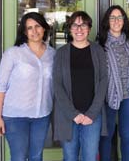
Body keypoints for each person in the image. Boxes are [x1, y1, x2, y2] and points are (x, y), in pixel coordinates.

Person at [0, 12, 55, 161]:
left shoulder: (53, 54)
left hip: (42, 115)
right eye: (29, 28)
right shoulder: (13, 54)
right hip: (15, 116)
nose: (34, 31)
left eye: (38, 26)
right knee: (19, 157)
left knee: (36, 156)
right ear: (24, 32)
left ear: (44, 28)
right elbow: (1, 86)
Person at [53, 11, 108, 161]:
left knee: (89, 156)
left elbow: (104, 81)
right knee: (70, 156)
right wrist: (73, 114)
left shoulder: (98, 51)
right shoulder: (61, 53)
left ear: (89, 28)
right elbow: (57, 85)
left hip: (92, 115)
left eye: (83, 25)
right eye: (75, 25)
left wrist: (92, 113)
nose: (79, 29)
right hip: (68, 115)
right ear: (69, 29)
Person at [98, 5, 129, 161]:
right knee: (107, 135)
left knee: (126, 134)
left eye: (119, 17)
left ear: (124, 20)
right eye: (112, 17)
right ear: (108, 21)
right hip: (108, 96)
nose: (116, 21)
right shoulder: (100, 43)